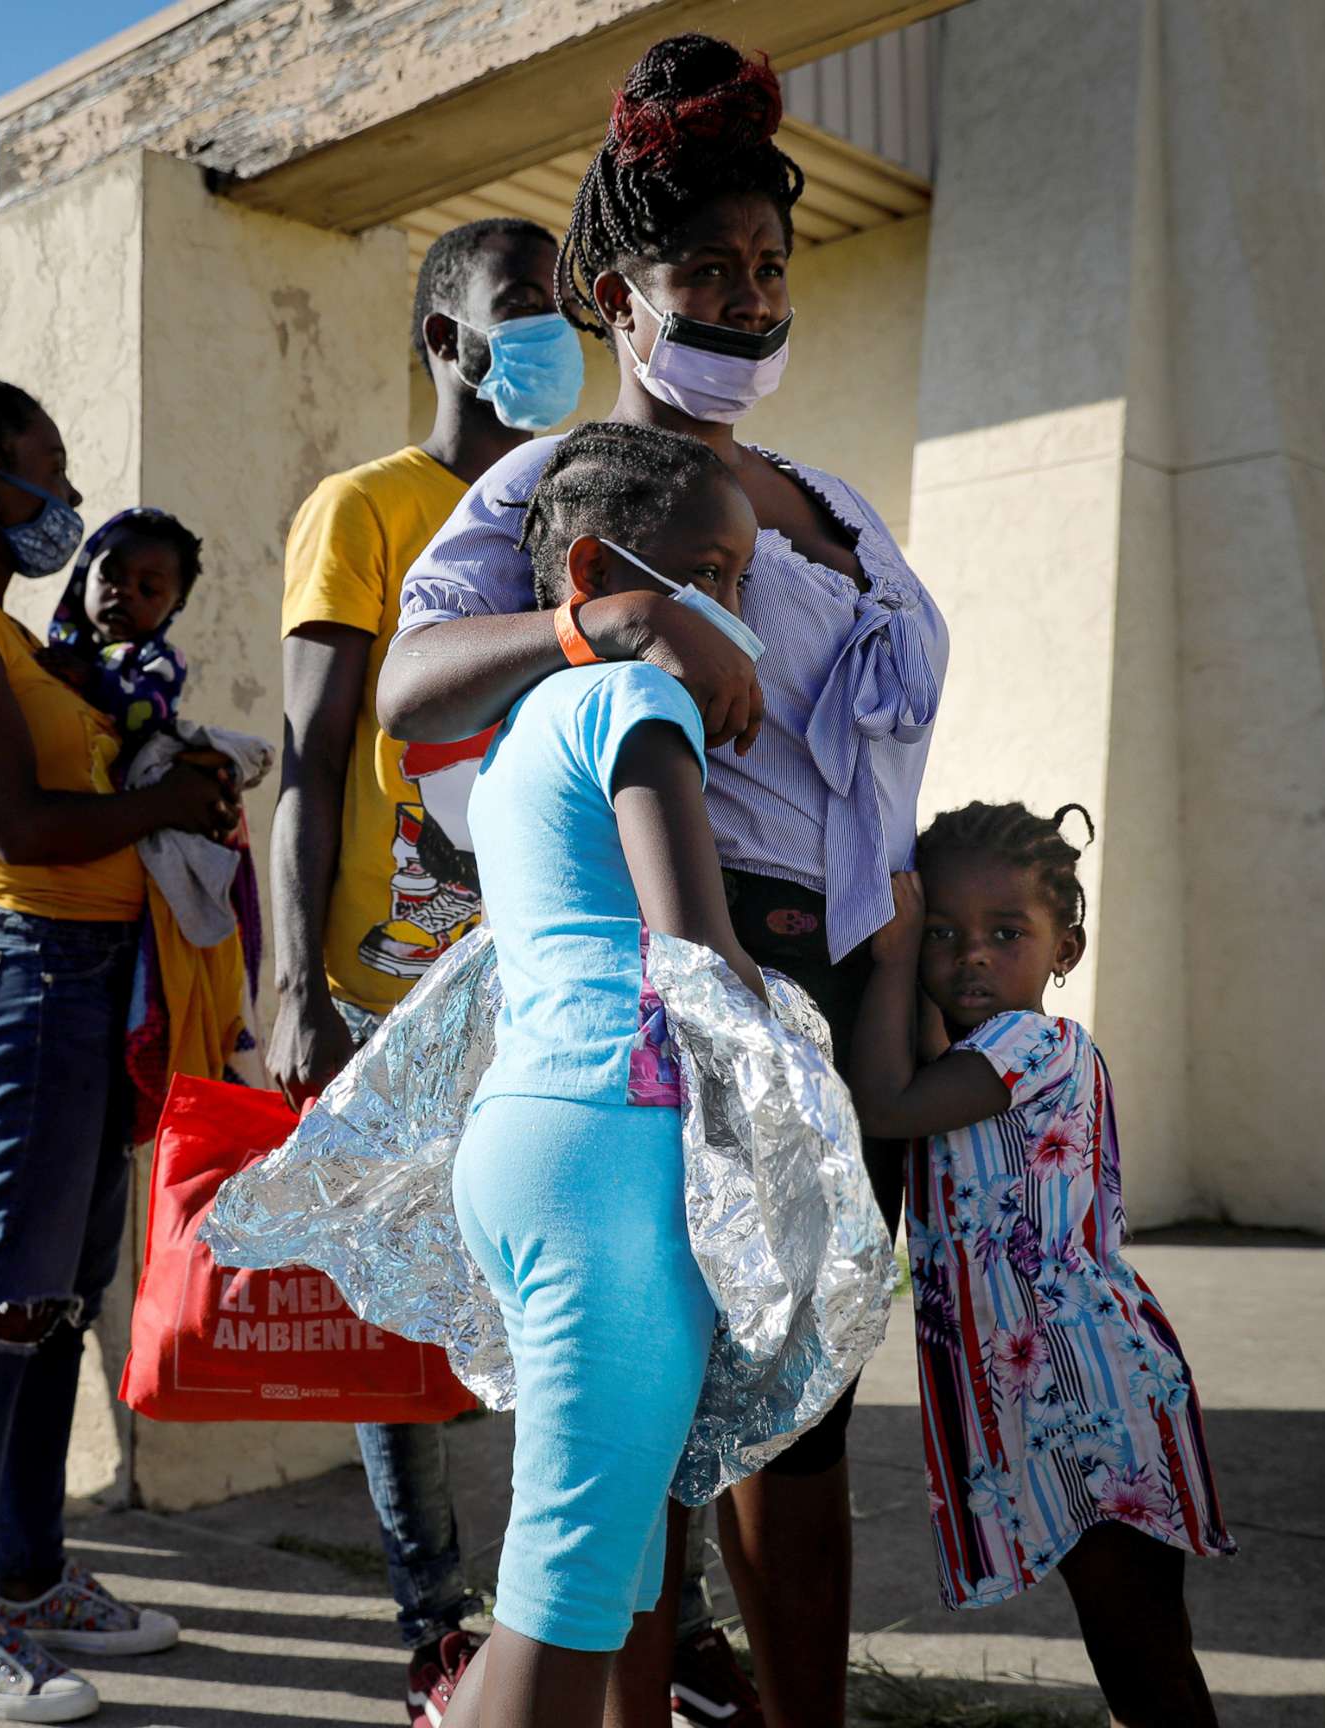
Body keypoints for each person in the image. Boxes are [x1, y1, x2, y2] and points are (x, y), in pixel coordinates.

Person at [384, 35, 947, 1724]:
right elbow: (410, 689)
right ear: (612, 290)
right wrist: (598, 619)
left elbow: (873, 769)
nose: (747, 297)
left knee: (801, 1405)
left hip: (844, 977)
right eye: (704, 267)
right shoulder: (548, 485)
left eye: (768, 266)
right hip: (690, 972)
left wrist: (910, 979)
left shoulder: (830, 499)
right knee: (644, 1421)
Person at [268, 213, 610, 1728]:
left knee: (578, 1304)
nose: (555, 331)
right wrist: (289, 981)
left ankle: (589, 1615)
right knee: (401, 1328)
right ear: (445, 340)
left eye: (564, 305)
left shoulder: (574, 512)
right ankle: (439, 1627)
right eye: (521, 306)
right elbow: (308, 761)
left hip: (540, 982)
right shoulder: (365, 508)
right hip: (377, 991)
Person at [0, 376, 235, 1722]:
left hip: (101, 979)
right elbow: (22, 828)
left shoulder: (17, 635)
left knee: (60, 1299)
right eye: (51, 467)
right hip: (33, 975)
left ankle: (31, 1579)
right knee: (7, 1301)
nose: (67, 497)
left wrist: (181, 789)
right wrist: (156, 799)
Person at [423, 423, 765, 1728]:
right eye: (708, 574)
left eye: (742, 583)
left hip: (535, 1142)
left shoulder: (522, 727)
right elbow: (695, 958)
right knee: (556, 1612)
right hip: (614, 1153)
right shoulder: (638, 694)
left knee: (612, 1568)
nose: (728, 612)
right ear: (595, 569)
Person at [850, 806, 1232, 1728]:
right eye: (944, 932)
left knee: (1143, 1656)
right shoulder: (979, 1051)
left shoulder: (1034, 1048)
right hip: (1062, 1387)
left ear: (1068, 949)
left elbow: (881, 1103)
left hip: (1092, 1391)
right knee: (1133, 1653)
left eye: (1006, 934)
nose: (970, 955)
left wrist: (897, 958)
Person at [41, 507, 199, 750]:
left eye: (147, 588)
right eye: (110, 575)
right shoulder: (58, 653)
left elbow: (148, 715)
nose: (123, 591)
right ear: (84, 573)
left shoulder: (161, 661)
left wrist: (92, 679)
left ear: (174, 606)